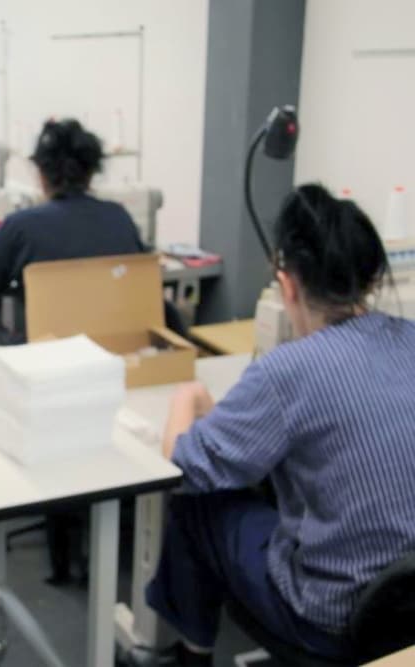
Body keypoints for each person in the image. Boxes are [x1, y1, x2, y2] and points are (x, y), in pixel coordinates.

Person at [138, 185, 415, 666]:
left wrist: (188, 397)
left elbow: (182, 468)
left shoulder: (286, 371)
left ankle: (189, 655)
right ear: (371, 280)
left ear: (286, 285)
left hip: (335, 620)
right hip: (407, 611)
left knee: (198, 506)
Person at [0, 118, 143, 303]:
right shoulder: (119, 218)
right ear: (91, 173)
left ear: (40, 174)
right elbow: (139, 271)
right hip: (114, 330)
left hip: (47, 333)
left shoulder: (21, 226)